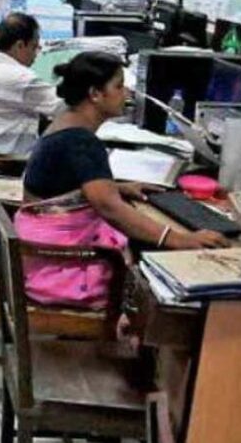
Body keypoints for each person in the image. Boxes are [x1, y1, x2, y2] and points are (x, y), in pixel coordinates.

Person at [17, 52, 228, 307]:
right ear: (95, 94)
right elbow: (110, 208)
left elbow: (66, 184)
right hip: (61, 269)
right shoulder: (81, 141)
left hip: (40, 259)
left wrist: (118, 187)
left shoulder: (64, 124)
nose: (126, 93)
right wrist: (179, 239)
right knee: (164, 264)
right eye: (118, 86)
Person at [0, 13, 63, 155]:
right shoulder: (22, 79)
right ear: (20, 45)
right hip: (14, 160)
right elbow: (62, 106)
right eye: (34, 47)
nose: (36, 54)